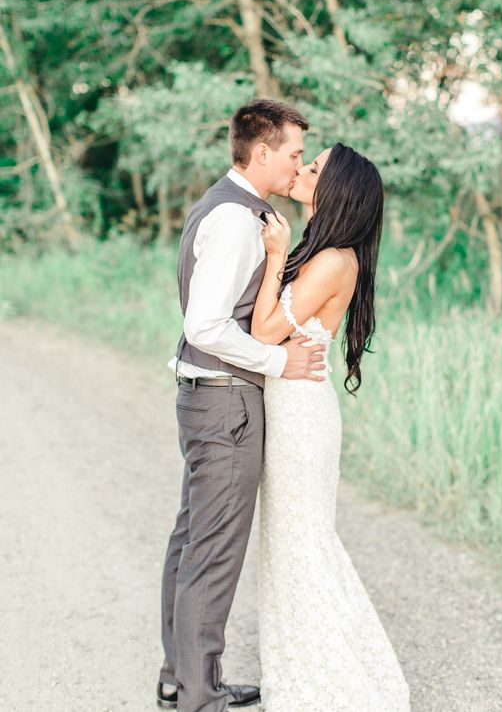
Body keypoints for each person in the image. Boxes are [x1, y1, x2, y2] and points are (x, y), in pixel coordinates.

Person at [157, 99, 327, 712]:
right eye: (293, 155)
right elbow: (205, 325)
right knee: (213, 549)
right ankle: (200, 694)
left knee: (192, 540)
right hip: (225, 403)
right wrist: (281, 363)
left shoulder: (232, 207)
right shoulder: (233, 220)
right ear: (260, 153)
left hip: (209, 399)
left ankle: (182, 678)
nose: (297, 166)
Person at [251, 143, 411, 711]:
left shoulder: (332, 259)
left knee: (303, 547)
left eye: (314, 168)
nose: (302, 169)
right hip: (293, 404)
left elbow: (266, 331)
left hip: (301, 416)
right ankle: (302, 670)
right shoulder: (323, 251)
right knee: (291, 546)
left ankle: (333, 683)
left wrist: (273, 258)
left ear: (335, 189)